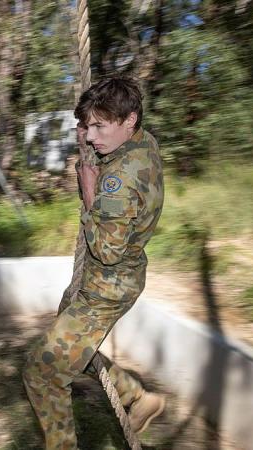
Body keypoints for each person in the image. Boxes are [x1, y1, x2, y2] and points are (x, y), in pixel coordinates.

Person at [22, 75, 166, 449]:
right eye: (88, 127)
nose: (90, 137)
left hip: (104, 286)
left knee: (43, 373)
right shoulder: (142, 143)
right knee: (70, 349)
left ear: (129, 119)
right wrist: (93, 138)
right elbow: (103, 140)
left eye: (99, 126)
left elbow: (106, 249)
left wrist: (91, 195)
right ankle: (137, 397)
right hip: (109, 278)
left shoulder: (119, 179)